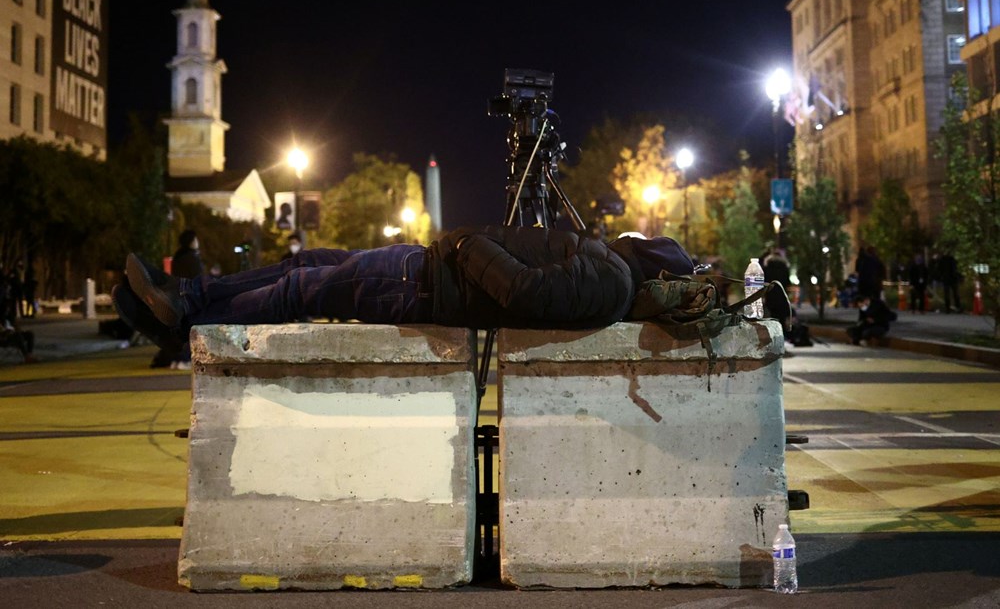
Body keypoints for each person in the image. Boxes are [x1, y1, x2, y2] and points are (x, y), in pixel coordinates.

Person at [113, 226, 698, 350]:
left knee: (300, 289)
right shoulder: (609, 271)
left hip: (420, 283)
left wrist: (469, 245)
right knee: (311, 263)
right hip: (425, 271)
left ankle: (186, 320)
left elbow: (521, 292)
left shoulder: (612, 277)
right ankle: (190, 295)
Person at [152, 229, 205, 370]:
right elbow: (198, 279)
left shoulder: (178, 256)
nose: (197, 242)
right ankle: (183, 358)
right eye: (195, 239)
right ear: (191, 242)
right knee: (193, 329)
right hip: (191, 297)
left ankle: (175, 358)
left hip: (178, 296)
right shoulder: (192, 258)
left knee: (182, 330)